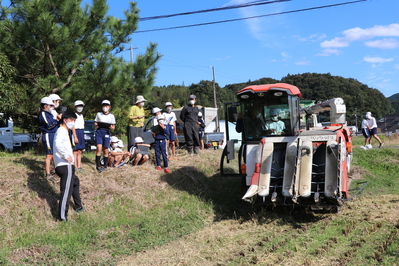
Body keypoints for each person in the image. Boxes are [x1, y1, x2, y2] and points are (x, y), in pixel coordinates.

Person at [53, 110, 84, 221]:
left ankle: (78, 205)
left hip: (64, 165)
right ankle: (62, 217)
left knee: (75, 181)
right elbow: (57, 144)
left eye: (74, 121)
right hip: (65, 165)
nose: (73, 123)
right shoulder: (62, 130)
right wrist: (66, 155)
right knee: (66, 192)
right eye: (71, 120)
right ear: (65, 120)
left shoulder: (65, 131)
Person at [38, 97, 60, 179]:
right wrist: (57, 120)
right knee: (49, 155)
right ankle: (47, 174)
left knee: (54, 154)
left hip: (53, 134)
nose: (51, 107)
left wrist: (59, 120)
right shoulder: (43, 114)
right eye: (50, 105)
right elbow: (49, 126)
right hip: (48, 135)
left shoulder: (49, 114)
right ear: (45, 105)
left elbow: (55, 124)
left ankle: (55, 170)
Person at [94, 100, 116, 173]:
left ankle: (105, 165)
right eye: (103, 106)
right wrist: (96, 125)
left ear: (109, 107)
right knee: (99, 148)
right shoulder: (98, 114)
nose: (105, 107)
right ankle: (98, 165)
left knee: (105, 149)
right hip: (99, 131)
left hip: (106, 132)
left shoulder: (111, 116)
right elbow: (95, 123)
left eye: (106, 106)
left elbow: (113, 126)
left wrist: (112, 127)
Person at [71, 100, 85, 171]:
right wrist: (75, 136)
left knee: (80, 151)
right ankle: (75, 166)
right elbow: (73, 126)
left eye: (81, 106)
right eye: (78, 106)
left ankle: (79, 166)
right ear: (75, 107)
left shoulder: (81, 115)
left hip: (81, 131)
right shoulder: (73, 115)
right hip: (76, 132)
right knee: (75, 150)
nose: (80, 108)